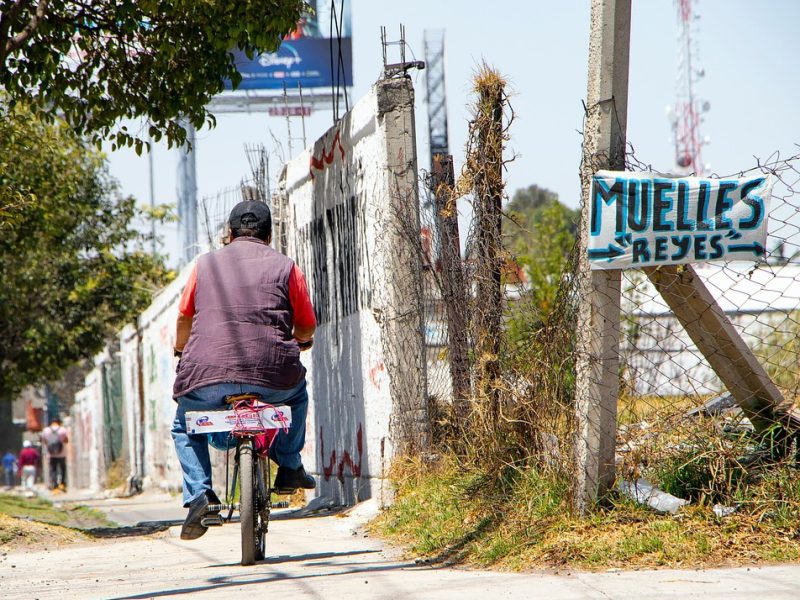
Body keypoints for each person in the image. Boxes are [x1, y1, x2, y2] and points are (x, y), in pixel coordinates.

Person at [172, 200, 317, 540]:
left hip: (207, 378)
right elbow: (307, 325)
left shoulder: (204, 266)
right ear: (268, 235)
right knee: (297, 394)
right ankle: (290, 466)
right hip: (273, 379)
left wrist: (180, 350)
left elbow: (184, 317)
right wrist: (301, 341)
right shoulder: (287, 267)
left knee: (184, 424)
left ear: (228, 233)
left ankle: (200, 496)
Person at [41, 418, 69, 490]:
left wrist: (50, 445)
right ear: (59, 422)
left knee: (53, 469)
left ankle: (55, 485)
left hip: (51, 454)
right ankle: (62, 484)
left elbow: (44, 441)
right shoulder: (63, 429)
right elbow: (66, 441)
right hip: (62, 453)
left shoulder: (46, 430)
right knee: (62, 469)